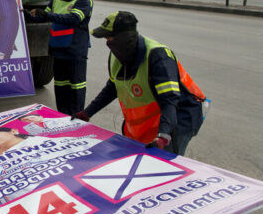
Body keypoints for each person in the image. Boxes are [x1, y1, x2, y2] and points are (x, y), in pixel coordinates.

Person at [74, 11, 206, 155]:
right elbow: (112, 88)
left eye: (109, 37)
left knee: (163, 160)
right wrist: (87, 113)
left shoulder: (158, 57)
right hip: (152, 119)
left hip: (180, 115)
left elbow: (170, 101)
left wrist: (163, 136)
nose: (107, 43)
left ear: (124, 39)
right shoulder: (118, 55)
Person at [26, 0, 92, 115]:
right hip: (58, 49)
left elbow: (74, 19)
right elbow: (44, 15)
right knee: (60, 85)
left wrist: (48, 15)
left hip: (75, 50)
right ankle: (63, 114)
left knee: (76, 85)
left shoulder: (83, 0)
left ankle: (77, 116)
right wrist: (29, 14)